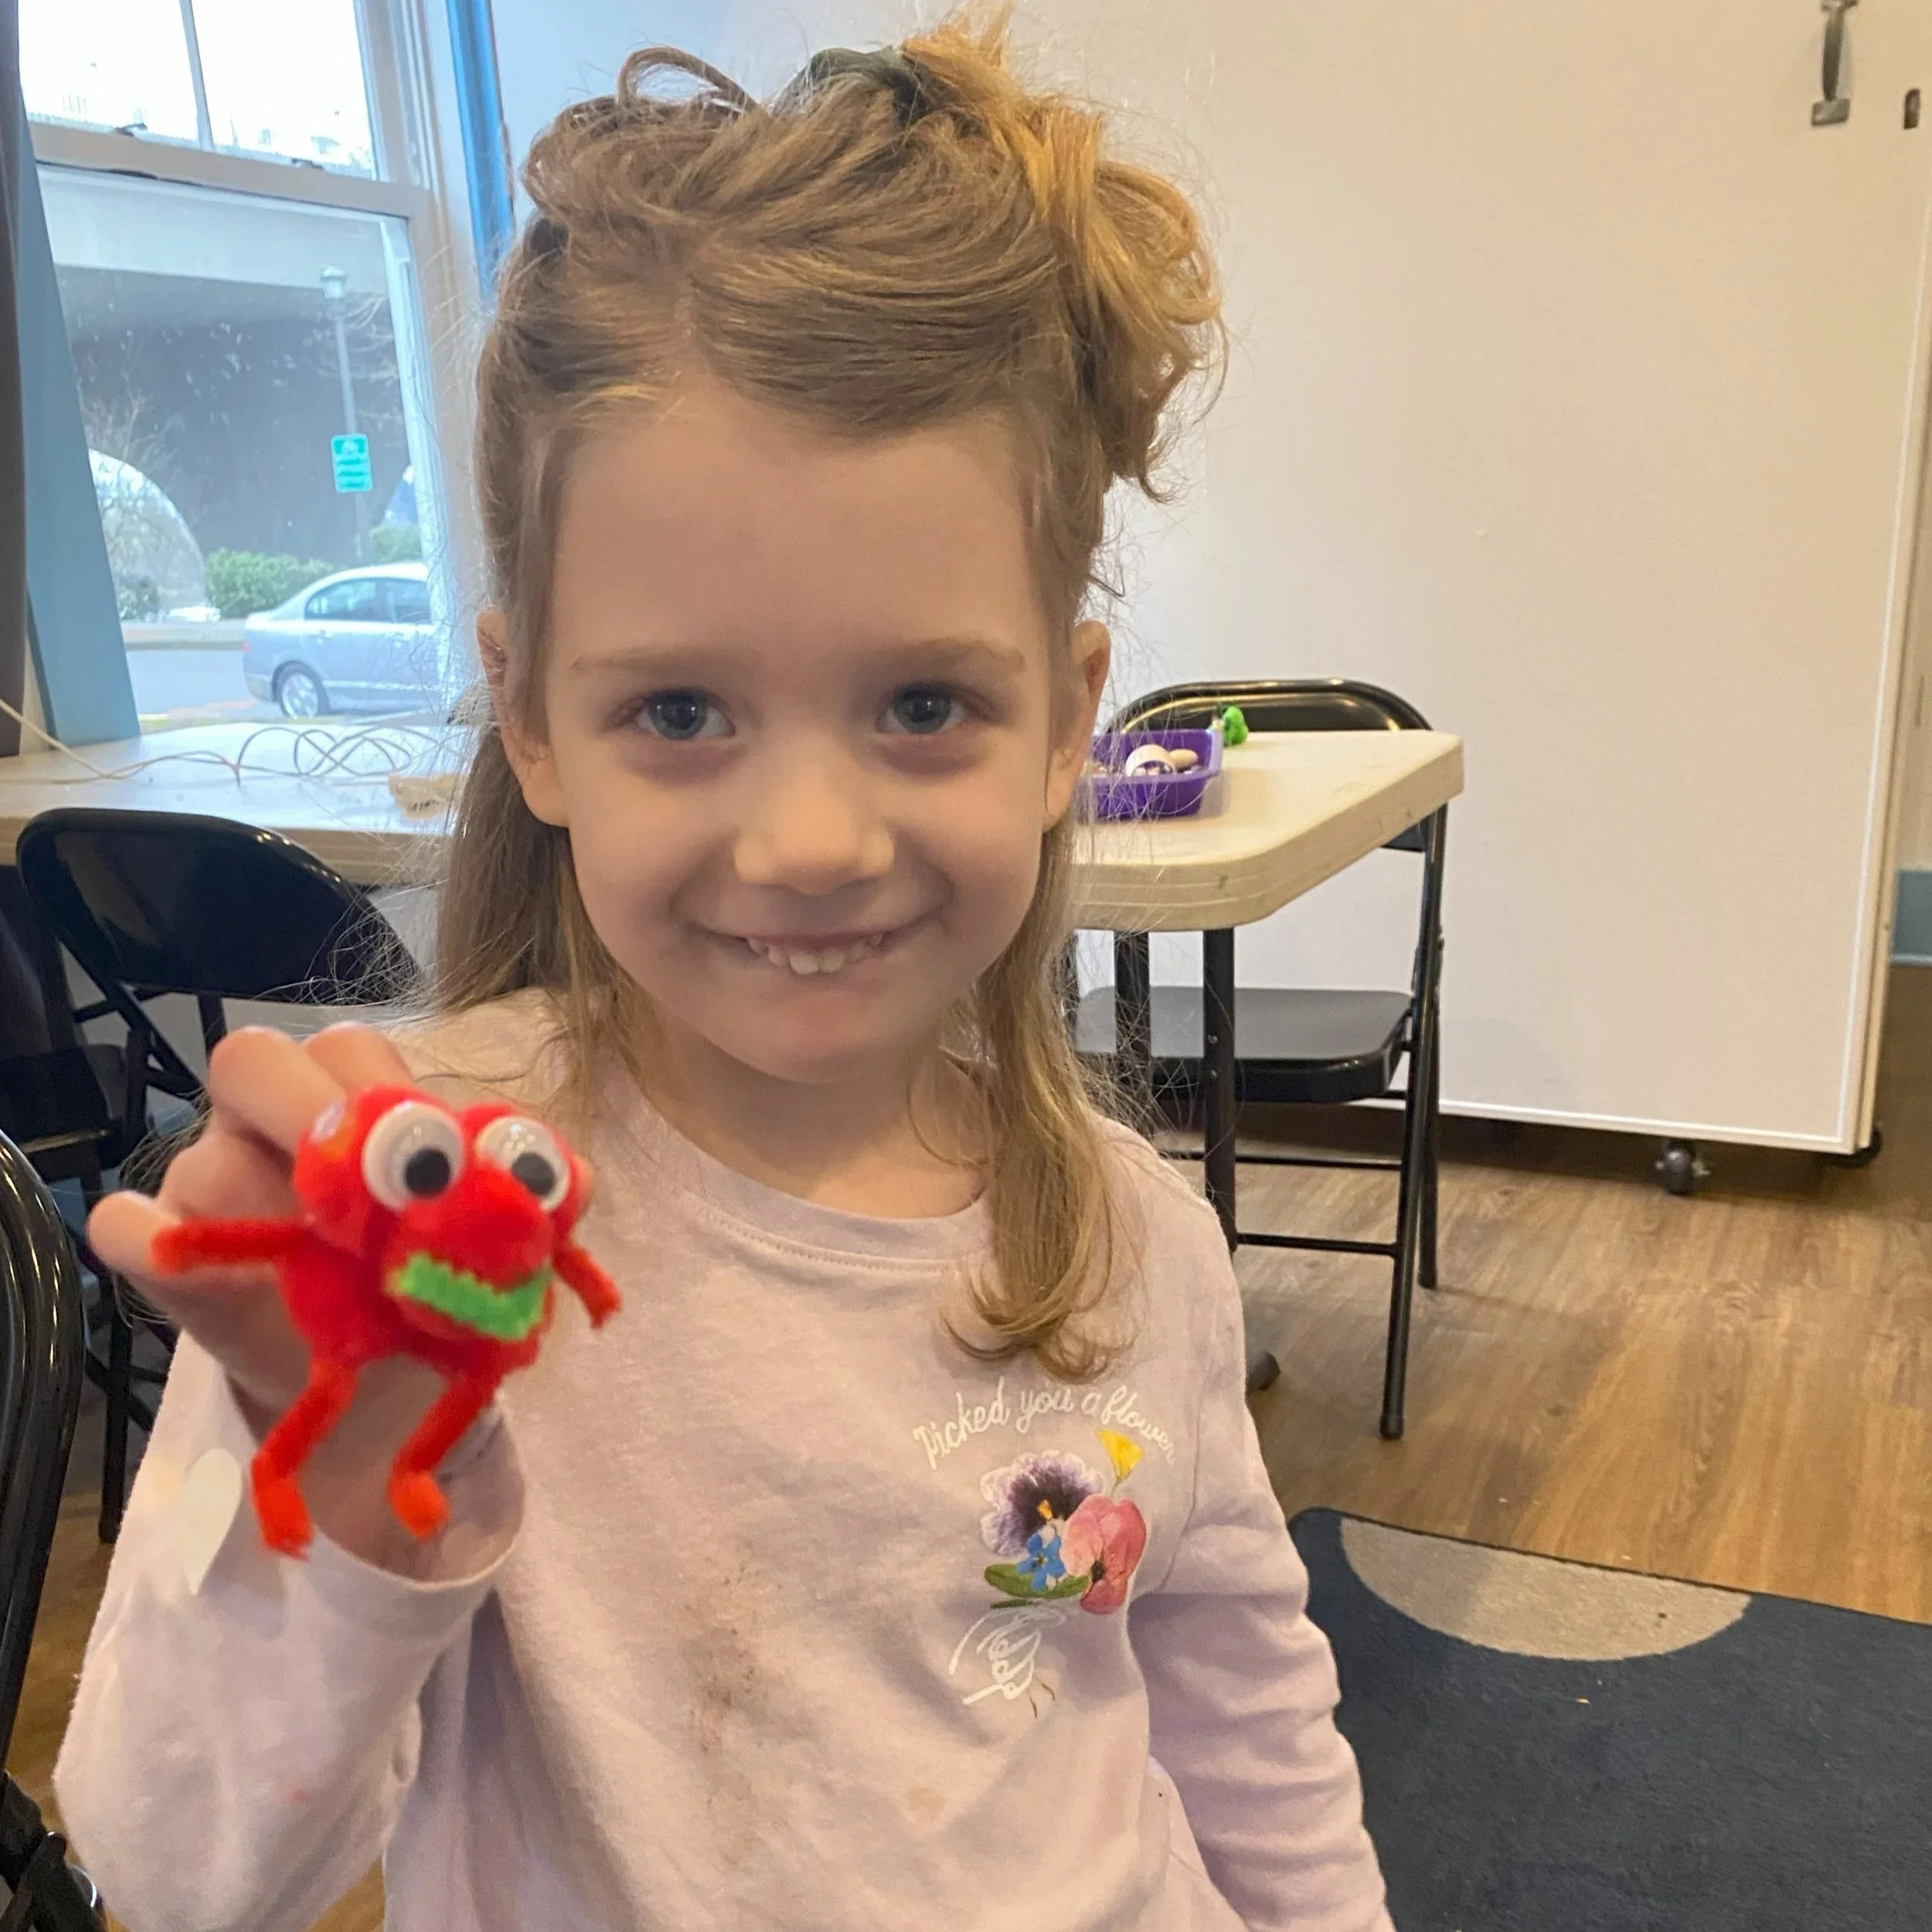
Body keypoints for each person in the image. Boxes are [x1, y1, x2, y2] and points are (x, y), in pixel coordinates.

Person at [56, 21, 1393, 1932]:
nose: (809, 840)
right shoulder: (409, 1240)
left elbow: (1244, 1713)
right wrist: (345, 1473)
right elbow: (168, 1867)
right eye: (679, 710)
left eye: (921, 702)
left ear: (1062, 722)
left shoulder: (1132, 1239)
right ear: (531, 718)